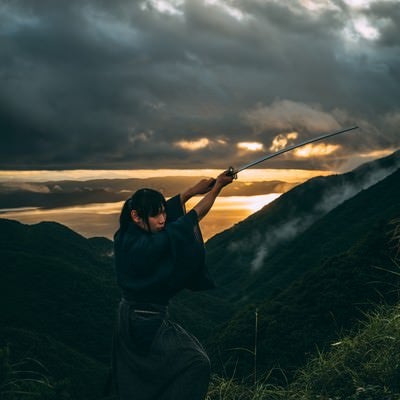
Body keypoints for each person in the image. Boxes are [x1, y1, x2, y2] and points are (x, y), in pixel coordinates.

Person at [111, 171, 233, 400]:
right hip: (145, 322)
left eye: (163, 212)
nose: (162, 219)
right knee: (197, 362)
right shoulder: (153, 245)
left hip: (127, 317)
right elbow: (194, 217)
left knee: (139, 377)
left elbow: (165, 210)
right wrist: (217, 189)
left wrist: (191, 191)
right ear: (137, 216)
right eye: (156, 215)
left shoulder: (125, 234)